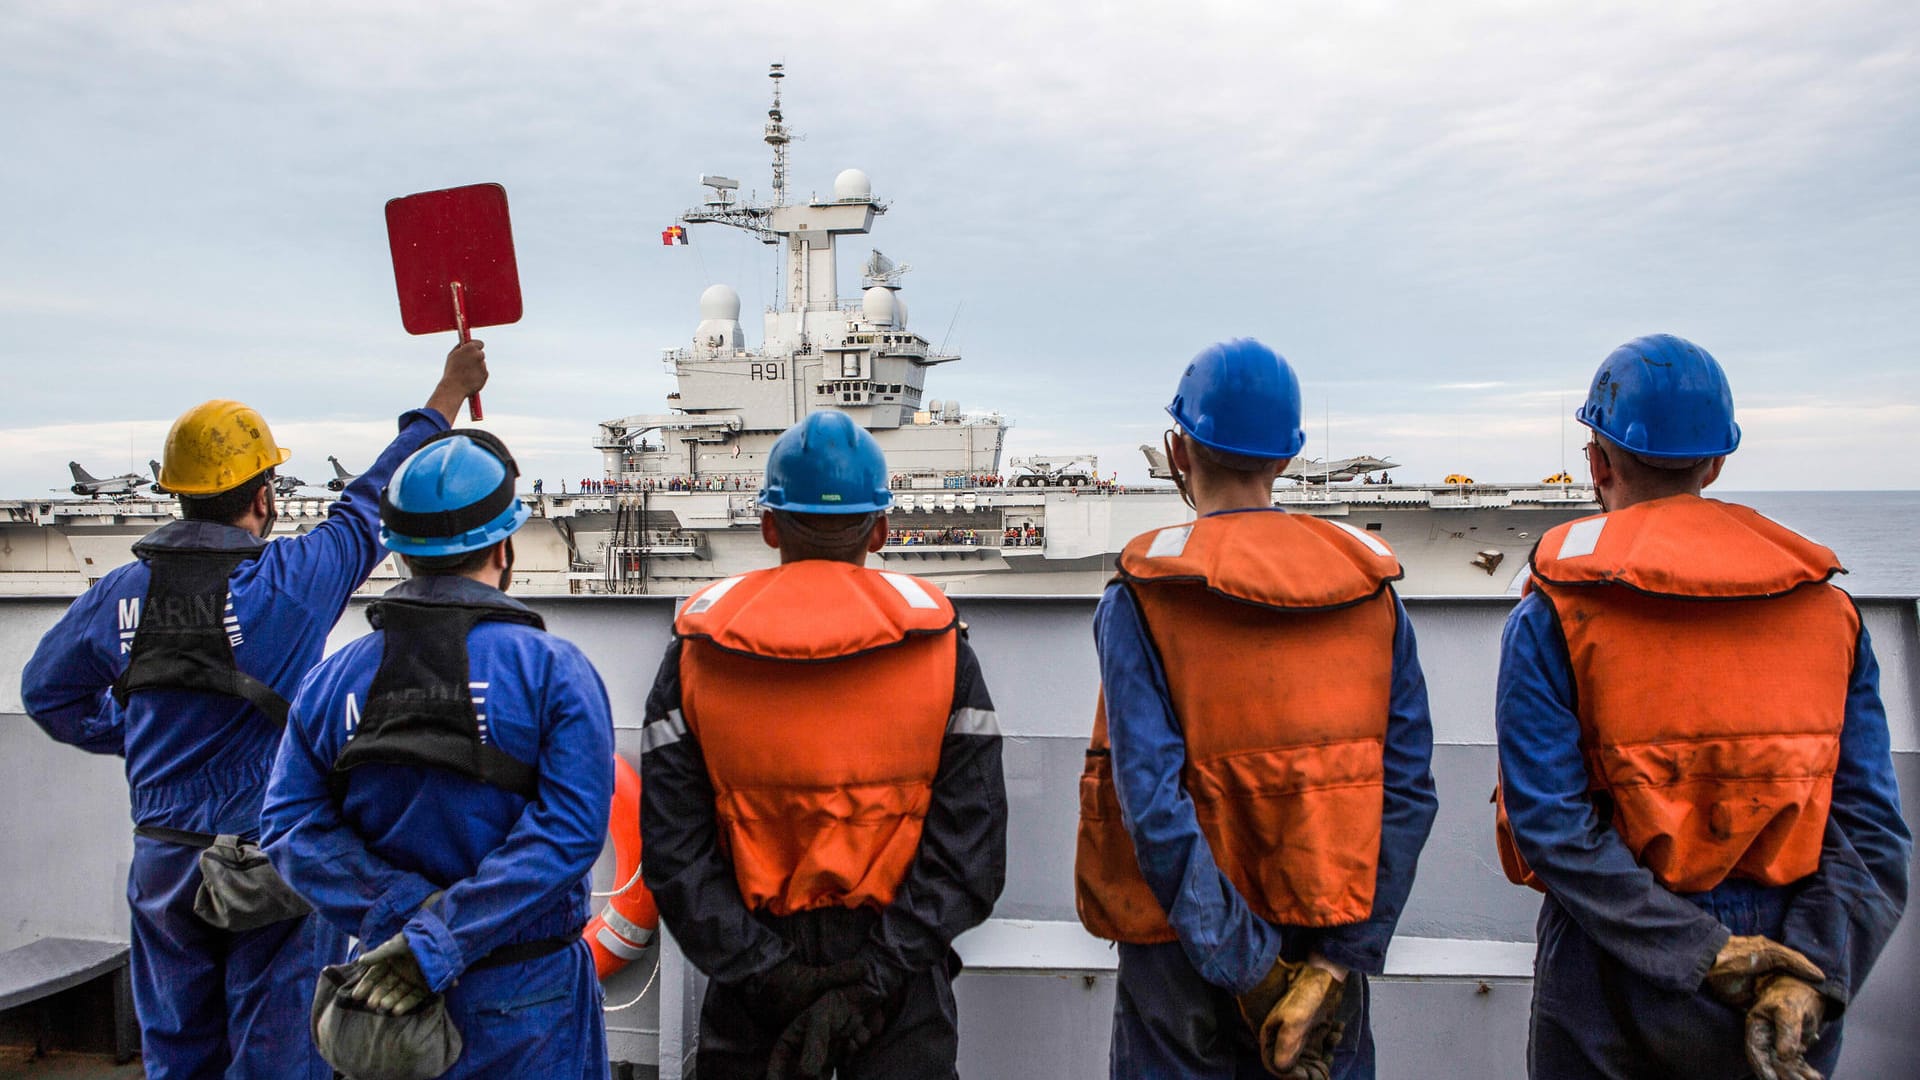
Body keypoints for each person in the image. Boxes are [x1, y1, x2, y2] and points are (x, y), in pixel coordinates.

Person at [20, 341, 487, 1078]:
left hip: (164, 857)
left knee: (175, 1051)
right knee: (278, 1054)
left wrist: (129, 736)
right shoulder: (294, 581)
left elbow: (47, 694)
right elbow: (368, 500)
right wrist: (447, 394)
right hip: (271, 859)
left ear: (178, 493)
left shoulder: (116, 594)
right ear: (264, 496)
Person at [1494, 333, 1910, 1080]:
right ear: (1717, 462)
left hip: (1609, 954)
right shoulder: (1828, 613)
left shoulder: (1552, 613)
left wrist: (1700, 954)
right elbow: (1871, 834)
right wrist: (1804, 974)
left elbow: (1551, 826)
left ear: (1596, 463)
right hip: (1793, 944)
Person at [1075, 339, 1437, 1080]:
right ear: (1286, 457)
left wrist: (1250, 969)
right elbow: (1408, 792)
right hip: (1326, 948)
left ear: (1180, 453)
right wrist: (1333, 966)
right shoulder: (1373, 593)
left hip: (1181, 963)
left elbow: (1152, 805)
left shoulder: (1141, 598)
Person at [641, 410, 1006, 1080]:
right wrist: (873, 978)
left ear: (770, 524)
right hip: (899, 985)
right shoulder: (945, 651)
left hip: (752, 984)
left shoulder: (695, 653)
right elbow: (971, 852)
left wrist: (768, 975)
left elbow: (673, 853)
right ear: (883, 528)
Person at [261, 429, 615, 1078]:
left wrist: (404, 919)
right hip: (528, 998)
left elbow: (288, 826)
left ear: (398, 555)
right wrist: (440, 936)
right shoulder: (555, 672)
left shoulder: (333, 679)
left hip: (386, 990)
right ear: (504, 547)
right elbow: (568, 836)